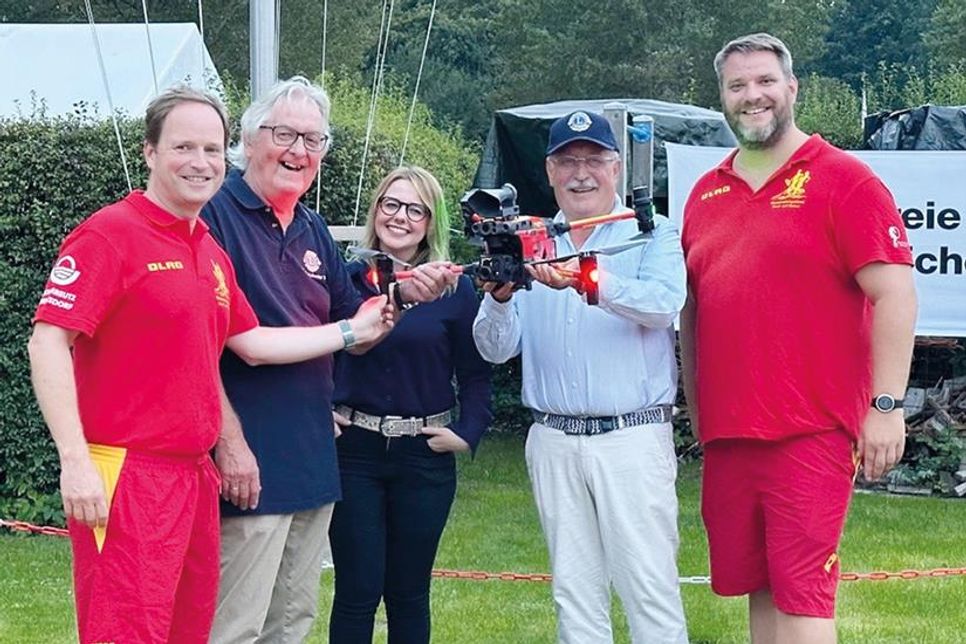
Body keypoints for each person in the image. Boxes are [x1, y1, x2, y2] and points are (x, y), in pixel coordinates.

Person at [27, 86, 394, 644]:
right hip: (127, 474)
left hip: (195, 476)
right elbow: (48, 341)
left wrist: (353, 328)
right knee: (128, 631)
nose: (200, 163)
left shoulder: (207, 248)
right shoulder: (110, 233)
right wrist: (74, 460)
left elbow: (254, 343)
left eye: (211, 150)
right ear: (150, 152)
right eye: (183, 147)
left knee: (191, 632)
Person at [680, 33, 917, 644]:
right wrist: (698, 408)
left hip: (811, 427)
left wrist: (886, 407)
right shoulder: (706, 193)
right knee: (761, 592)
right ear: (723, 99)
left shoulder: (845, 180)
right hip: (730, 433)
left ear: (791, 88)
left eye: (764, 81)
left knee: (805, 598)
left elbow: (895, 294)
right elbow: (694, 311)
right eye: (737, 86)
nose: (751, 95)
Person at [200, 78, 455, 644]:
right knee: (235, 628)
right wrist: (230, 444)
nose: (298, 152)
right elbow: (208, 347)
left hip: (314, 465)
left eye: (313, 140)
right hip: (250, 468)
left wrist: (402, 296)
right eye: (285, 134)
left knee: (292, 625)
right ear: (248, 138)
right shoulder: (214, 217)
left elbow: (359, 332)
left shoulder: (312, 225)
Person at [473, 110, 688, 643]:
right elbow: (495, 350)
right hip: (552, 437)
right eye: (567, 161)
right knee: (574, 593)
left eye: (594, 160)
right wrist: (499, 300)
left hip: (631, 435)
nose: (581, 173)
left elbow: (664, 305)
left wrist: (587, 281)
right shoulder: (530, 239)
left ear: (616, 169)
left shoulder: (650, 230)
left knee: (649, 589)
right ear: (548, 172)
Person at [327, 166, 492, 643]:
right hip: (354, 451)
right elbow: (315, 350)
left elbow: (476, 372)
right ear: (376, 210)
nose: (400, 217)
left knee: (409, 593)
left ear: (430, 221)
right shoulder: (345, 280)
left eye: (414, 209)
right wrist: (322, 404)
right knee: (356, 591)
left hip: (424, 453)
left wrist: (469, 429)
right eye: (391, 204)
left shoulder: (454, 289)